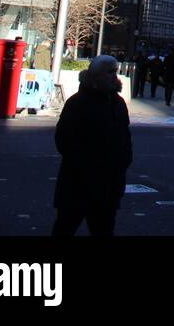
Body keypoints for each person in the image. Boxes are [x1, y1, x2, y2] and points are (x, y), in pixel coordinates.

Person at [52, 54, 132, 237]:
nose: (114, 76)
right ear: (96, 76)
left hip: (108, 185)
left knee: (103, 230)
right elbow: (63, 140)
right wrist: (86, 163)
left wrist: (123, 162)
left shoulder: (118, 104)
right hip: (78, 183)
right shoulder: (77, 103)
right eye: (109, 72)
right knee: (65, 227)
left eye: (116, 72)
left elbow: (125, 138)